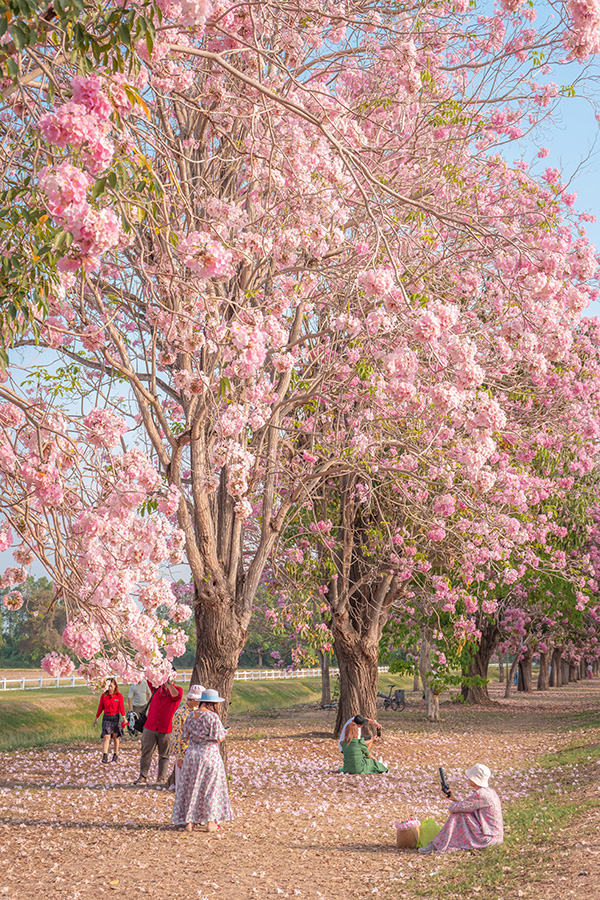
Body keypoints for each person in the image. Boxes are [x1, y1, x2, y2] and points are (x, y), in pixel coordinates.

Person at [171, 688, 233, 832]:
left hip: (192, 755)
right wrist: (225, 732)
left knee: (191, 787)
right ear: (213, 703)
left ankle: (189, 821)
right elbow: (219, 738)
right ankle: (210, 822)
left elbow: (185, 736)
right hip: (209, 755)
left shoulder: (190, 715)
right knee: (210, 788)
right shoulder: (212, 717)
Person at [418, 764, 504, 854]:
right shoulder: (490, 791)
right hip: (495, 837)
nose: (468, 778)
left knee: (459, 814)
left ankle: (437, 844)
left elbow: (454, 808)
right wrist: (453, 798)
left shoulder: (481, 794)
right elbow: (467, 806)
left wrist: (454, 803)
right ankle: (438, 842)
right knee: (462, 812)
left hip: (488, 839)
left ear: (474, 779)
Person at [133, 673, 183, 786]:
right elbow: (149, 675)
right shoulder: (156, 688)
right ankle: (142, 776)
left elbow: (175, 696)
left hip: (166, 728)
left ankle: (161, 778)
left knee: (164, 755)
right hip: (150, 726)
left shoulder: (178, 690)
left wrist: (168, 683)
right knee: (146, 752)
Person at [168, 683, 205, 791]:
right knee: (184, 787)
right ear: (193, 698)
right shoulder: (180, 713)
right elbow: (177, 736)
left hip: (197, 753)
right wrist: (179, 757)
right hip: (185, 754)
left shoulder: (200, 711)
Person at [94, 678, 126, 764]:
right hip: (107, 717)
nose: (110, 688)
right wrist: (96, 718)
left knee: (115, 737)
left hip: (116, 717)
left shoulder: (119, 696)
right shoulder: (104, 696)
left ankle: (115, 754)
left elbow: (121, 707)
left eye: (111, 686)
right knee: (106, 736)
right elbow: (100, 707)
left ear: (115, 686)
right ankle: (105, 755)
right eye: (108, 686)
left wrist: (124, 717)